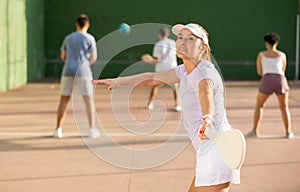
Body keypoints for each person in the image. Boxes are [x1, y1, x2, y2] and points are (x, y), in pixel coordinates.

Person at [92, 23, 240, 192]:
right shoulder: (183, 70)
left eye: (191, 39)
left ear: (203, 48)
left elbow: (206, 94)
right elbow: (153, 78)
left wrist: (208, 118)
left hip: (217, 149)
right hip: (210, 151)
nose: (183, 42)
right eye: (180, 37)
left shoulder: (205, 72)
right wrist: (119, 81)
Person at [53, 14, 100, 139]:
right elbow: (94, 58)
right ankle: (92, 130)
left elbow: (63, 56)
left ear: (76, 24)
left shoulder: (68, 38)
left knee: (64, 99)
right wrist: (84, 64)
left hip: (68, 70)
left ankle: (58, 129)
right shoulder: (90, 38)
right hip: (84, 71)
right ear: (87, 25)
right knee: (88, 100)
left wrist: (70, 62)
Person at [245, 32, 294, 139]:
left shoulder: (261, 55)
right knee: (284, 107)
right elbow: (283, 70)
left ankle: (254, 131)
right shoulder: (282, 55)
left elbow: (259, 72)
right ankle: (288, 132)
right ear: (276, 43)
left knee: (259, 105)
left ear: (266, 43)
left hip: (267, 79)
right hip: (280, 79)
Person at [141, 27, 182, 112]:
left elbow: (158, 60)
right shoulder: (173, 43)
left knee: (155, 85)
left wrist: (150, 61)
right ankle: (177, 105)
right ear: (167, 34)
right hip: (172, 67)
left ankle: (150, 103)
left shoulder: (158, 44)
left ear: (159, 34)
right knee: (175, 87)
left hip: (161, 68)